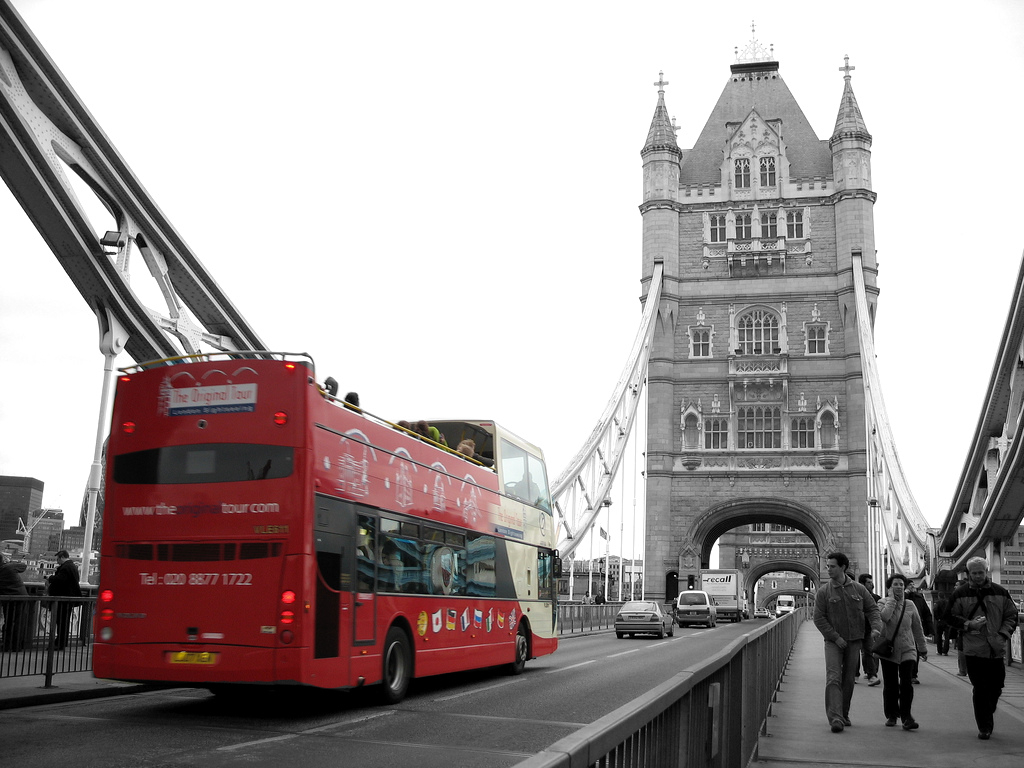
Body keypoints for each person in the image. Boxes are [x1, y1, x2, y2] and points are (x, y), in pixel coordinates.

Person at [947, 556, 1019, 740]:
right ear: (969, 573)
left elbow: (1012, 616)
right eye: (974, 573)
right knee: (980, 688)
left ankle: (988, 709)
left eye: (981, 572)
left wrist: (1003, 635)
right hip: (972, 649)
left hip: (996, 649)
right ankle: (984, 727)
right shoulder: (960, 594)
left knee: (996, 687)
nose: (978, 576)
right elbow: (949, 616)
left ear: (986, 572)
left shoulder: (1000, 592)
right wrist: (969, 624)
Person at [813, 552, 882, 733]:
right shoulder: (823, 592)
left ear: (843, 567)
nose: (828, 569)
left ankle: (844, 714)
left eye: (832, 566)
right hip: (833, 642)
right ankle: (835, 718)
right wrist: (836, 637)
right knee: (833, 677)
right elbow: (819, 618)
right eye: (827, 566)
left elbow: (873, 609)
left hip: (854, 641)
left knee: (848, 680)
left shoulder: (859, 589)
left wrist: (876, 628)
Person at [874, 573, 927, 730]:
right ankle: (891, 714)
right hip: (889, 649)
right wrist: (891, 601)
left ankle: (906, 717)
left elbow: (917, 627)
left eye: (901, 584)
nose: (899, 587)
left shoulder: (910, 605)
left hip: (907, 648)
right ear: (889, 588)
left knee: (906, 684)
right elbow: (884, 617)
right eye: (895, 584)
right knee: (890, 684)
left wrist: (922, 648)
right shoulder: (882, 602)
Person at [47, 550, 83, 650]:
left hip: (63, 599)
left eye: (58, 559)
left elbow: (60, 580)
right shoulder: (72, 566)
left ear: (62, 557)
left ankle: (60, 644)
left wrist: (50, 577)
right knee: (64, 621)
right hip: (68, 599)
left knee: (61, 621)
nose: (57, 561)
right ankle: (62, 642)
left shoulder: (66, 567)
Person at [0, 552, 30, 651]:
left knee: (8, 622)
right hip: (20, 597)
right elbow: (23, 566)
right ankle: (16, 646)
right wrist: (9, 561)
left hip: (7, 599)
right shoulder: (9, 567)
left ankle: (7, 644)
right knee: (19, 622)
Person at [904, 582, 933, 684]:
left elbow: (926, 613)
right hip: (902, 629)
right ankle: (904, 674)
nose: (912, 586)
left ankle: (913, 675)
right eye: (909, 584)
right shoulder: (900, 596)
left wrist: (929, 629)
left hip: (915, 628)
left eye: (913, 584)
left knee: (914, 651)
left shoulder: (919, 598)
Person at [857, 573, 882, 686]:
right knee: (854, 653)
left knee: (868, 652)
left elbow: (877, 613)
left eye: (872, 582)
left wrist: (876, 627)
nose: (872, 584)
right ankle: (854, 674)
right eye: (869, 582)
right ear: (862, 584)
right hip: (855, 628)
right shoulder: (855, 597)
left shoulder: (876, 598)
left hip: (868, 629)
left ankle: (872, 675)